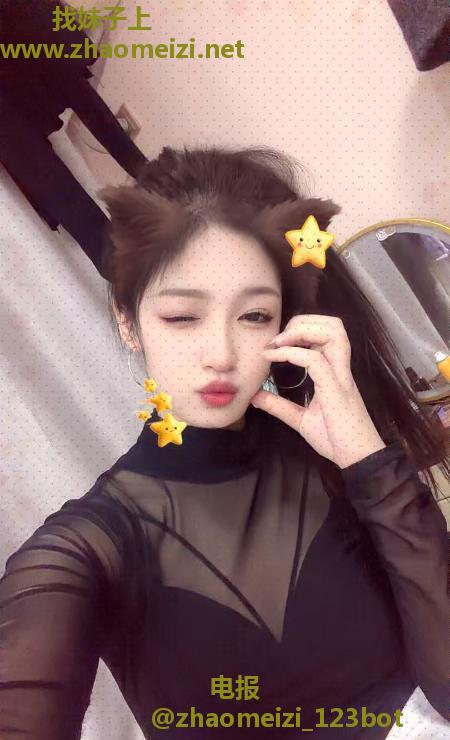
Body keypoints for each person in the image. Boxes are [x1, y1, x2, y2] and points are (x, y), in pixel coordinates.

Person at [0, 146, 448, 739]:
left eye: (254, 316)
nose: (220, 355)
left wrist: (369, 461)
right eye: (182, 317)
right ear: (129, 322)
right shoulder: (89, 544)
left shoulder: (339, 461)